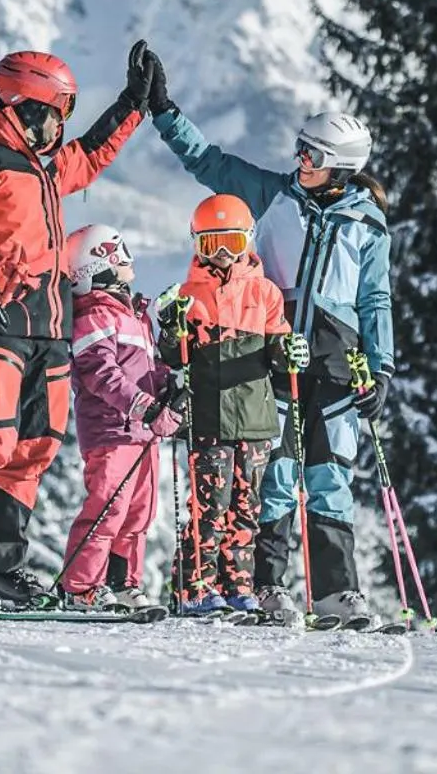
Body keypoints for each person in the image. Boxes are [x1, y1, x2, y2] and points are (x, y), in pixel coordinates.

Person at [0, 43, 156, 609]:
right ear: (28, 103)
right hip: (0, 321)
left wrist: (133, 103)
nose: (63, 123)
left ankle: (0, 569)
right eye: (58, 110)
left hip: (50, 327)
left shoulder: (42, 166)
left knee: (35, 447)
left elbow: (90, 155)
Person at [148, 60, 393, 628]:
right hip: (269, 357)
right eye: (300, 149)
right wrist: (165, 112)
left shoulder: (367, 226)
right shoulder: (274, 196)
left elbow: (375, 301)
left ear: (339, 169)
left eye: (311, 155)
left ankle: (337, 593)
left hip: (334, 358)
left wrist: (381, 370)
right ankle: (265, 584)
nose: (299, 161)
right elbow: (211, 165)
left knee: (330, 473)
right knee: (276, 471)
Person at [161, 194, 305, 616]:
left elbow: (277, 354)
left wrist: (289, 353)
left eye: (230, 242)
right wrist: (172, 331)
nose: (222, 254)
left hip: (256, 419)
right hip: (210, 418)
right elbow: (171, 357)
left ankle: (237, 585)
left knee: (247, 509)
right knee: (210, 507)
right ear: (197, 246)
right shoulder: (188, 295)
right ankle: (195, 586)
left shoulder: (265, 294)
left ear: (247, 242)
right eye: (211, 244)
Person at [57, 223, 181, 610]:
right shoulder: (93, 316)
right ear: (102, 261)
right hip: (112, 432)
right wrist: (145, 405)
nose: (129, 260)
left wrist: (169, 388)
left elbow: (149, 369)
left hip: (142, 434)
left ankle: (122, 583)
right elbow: (102, 374)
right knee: (107, 507)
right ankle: (79, 587)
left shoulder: (133, 316)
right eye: (120, 251)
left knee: (139, 514)